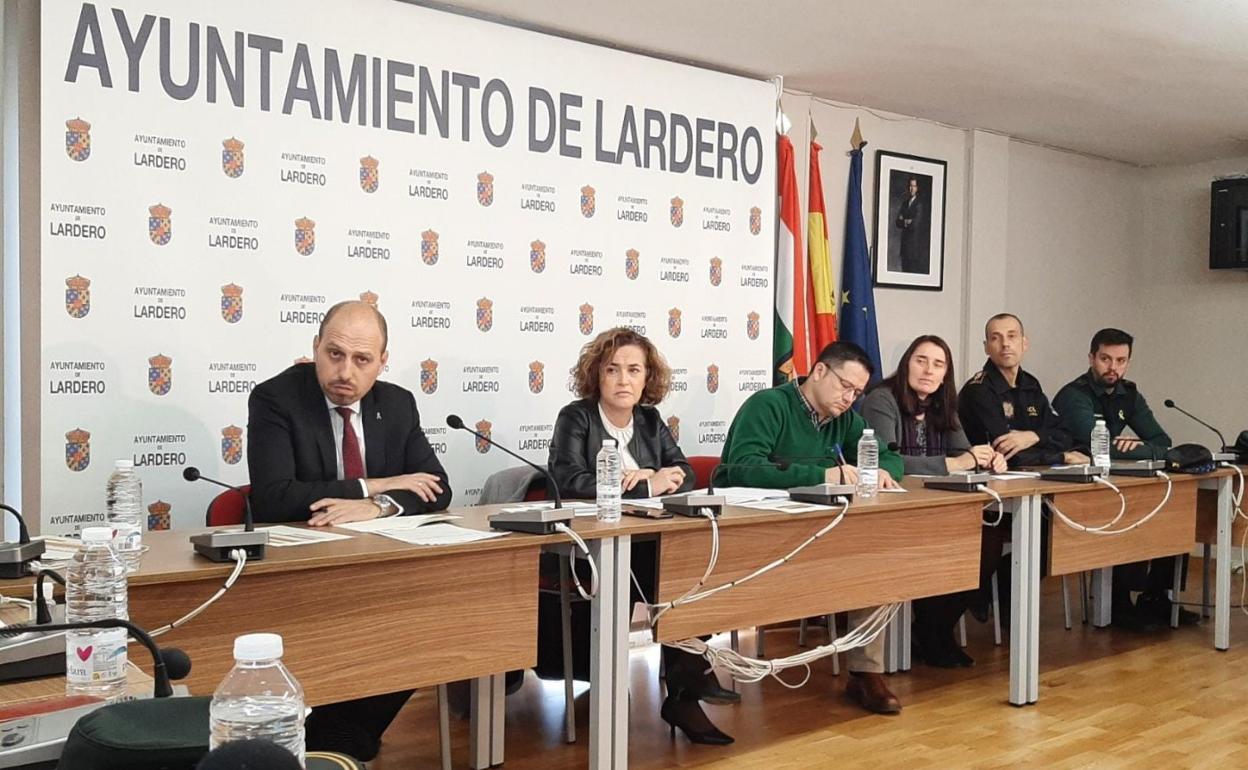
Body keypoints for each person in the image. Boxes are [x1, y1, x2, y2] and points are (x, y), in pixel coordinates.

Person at [246, 300, 451, 760]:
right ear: (315, 347)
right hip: (301, 569)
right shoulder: (276, 398)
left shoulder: (397, 404)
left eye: (362, 360)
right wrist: (374, 484)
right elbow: (274, 496)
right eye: (334, 354)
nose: (345, 372)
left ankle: (334, 740)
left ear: (382, 361)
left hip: (378, 566)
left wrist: (376, 507)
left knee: (427, 623)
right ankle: (336, 742)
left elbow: (436, 488)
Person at [548, 327, 738, 746]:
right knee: (668, 571)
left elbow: (684, 471)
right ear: (596, 375)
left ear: (647, 377)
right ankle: (691, 680)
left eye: (634, 370)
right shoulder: (576, 417)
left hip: (650, 539)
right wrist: (645, 485)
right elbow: (568, 479)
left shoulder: (649, 421)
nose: (623, 380)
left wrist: (657, 475)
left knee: (696, 566)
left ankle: (686, 685)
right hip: (595, 549)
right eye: (612, 369)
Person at [718, 340, 906, 715]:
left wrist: (876, 470)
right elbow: (742, 469)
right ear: (819, 371)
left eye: (857, 392)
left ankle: (865, 673)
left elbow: (891, 459)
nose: (849, 399)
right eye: (845, 386)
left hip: (821, 531)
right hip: (757, 534)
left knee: (875, 557)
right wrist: (823, 475)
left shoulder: (845, 420)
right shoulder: (768, 405)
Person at [861, 335, 1006, 667]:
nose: (929, 370)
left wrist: (987, 459)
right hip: (894, 511)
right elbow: (886, 462)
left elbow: (964, 453)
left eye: (938, 365)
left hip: (940, 507)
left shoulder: (943, 403)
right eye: (921, 361)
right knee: (939, 544)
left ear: (945, 375)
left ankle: (936, 627)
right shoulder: (881, 399)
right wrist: (953, 464)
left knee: (989, 540)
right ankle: (930, 632)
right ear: (906, 364)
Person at [1052, 328, 1195, 629]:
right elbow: (1098, 446)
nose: (1112, 368)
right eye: (1105, 359)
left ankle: (1156, 596)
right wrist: (1137, 449)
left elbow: (1163, 442)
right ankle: (1118, 603)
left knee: (1173, 506)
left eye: (1121, 361)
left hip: (1116, 481)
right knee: (1131, 509)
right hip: (1077, 488)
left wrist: (1139, 446)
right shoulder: (1073, 395)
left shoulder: (1128, 394)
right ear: (1091, 358)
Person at [895, 177, 925, 273]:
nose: (911, 188)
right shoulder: (904, 204)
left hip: (914, 247)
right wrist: (906, 221)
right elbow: (897, 222)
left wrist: (904, 220)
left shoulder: (919, 204)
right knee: (904, 270)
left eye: (913, 186)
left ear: (917, 188)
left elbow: (915, 224)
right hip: (904, 246)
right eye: (910, 186)